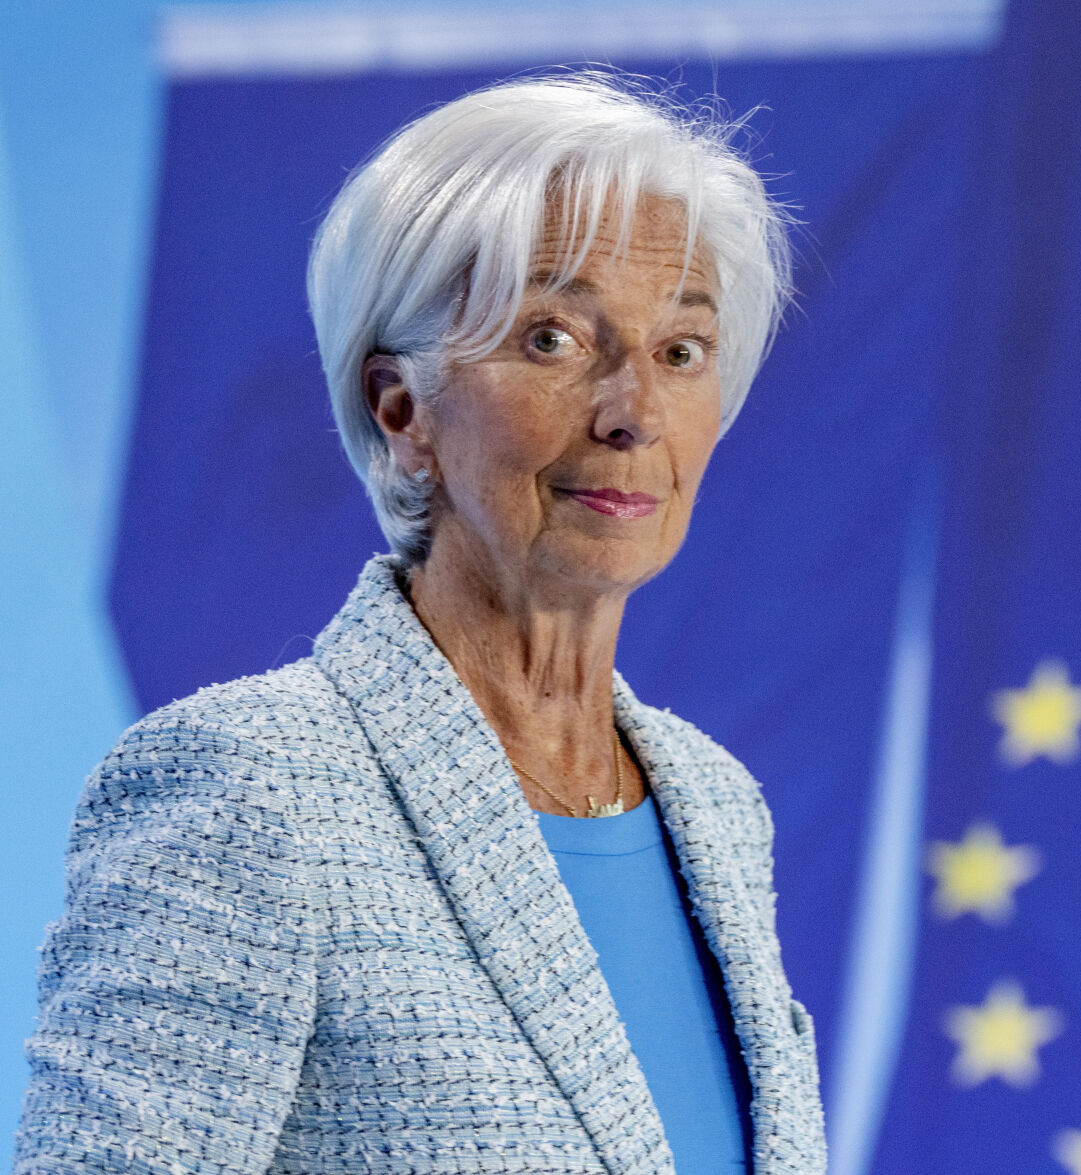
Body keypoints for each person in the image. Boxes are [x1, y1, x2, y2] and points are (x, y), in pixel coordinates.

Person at [15, 72, 824, 1174]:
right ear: (402, 408)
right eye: (551, 338)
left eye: (681, 351)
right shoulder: (247, 785)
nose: (635, 410)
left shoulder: (717, 806)